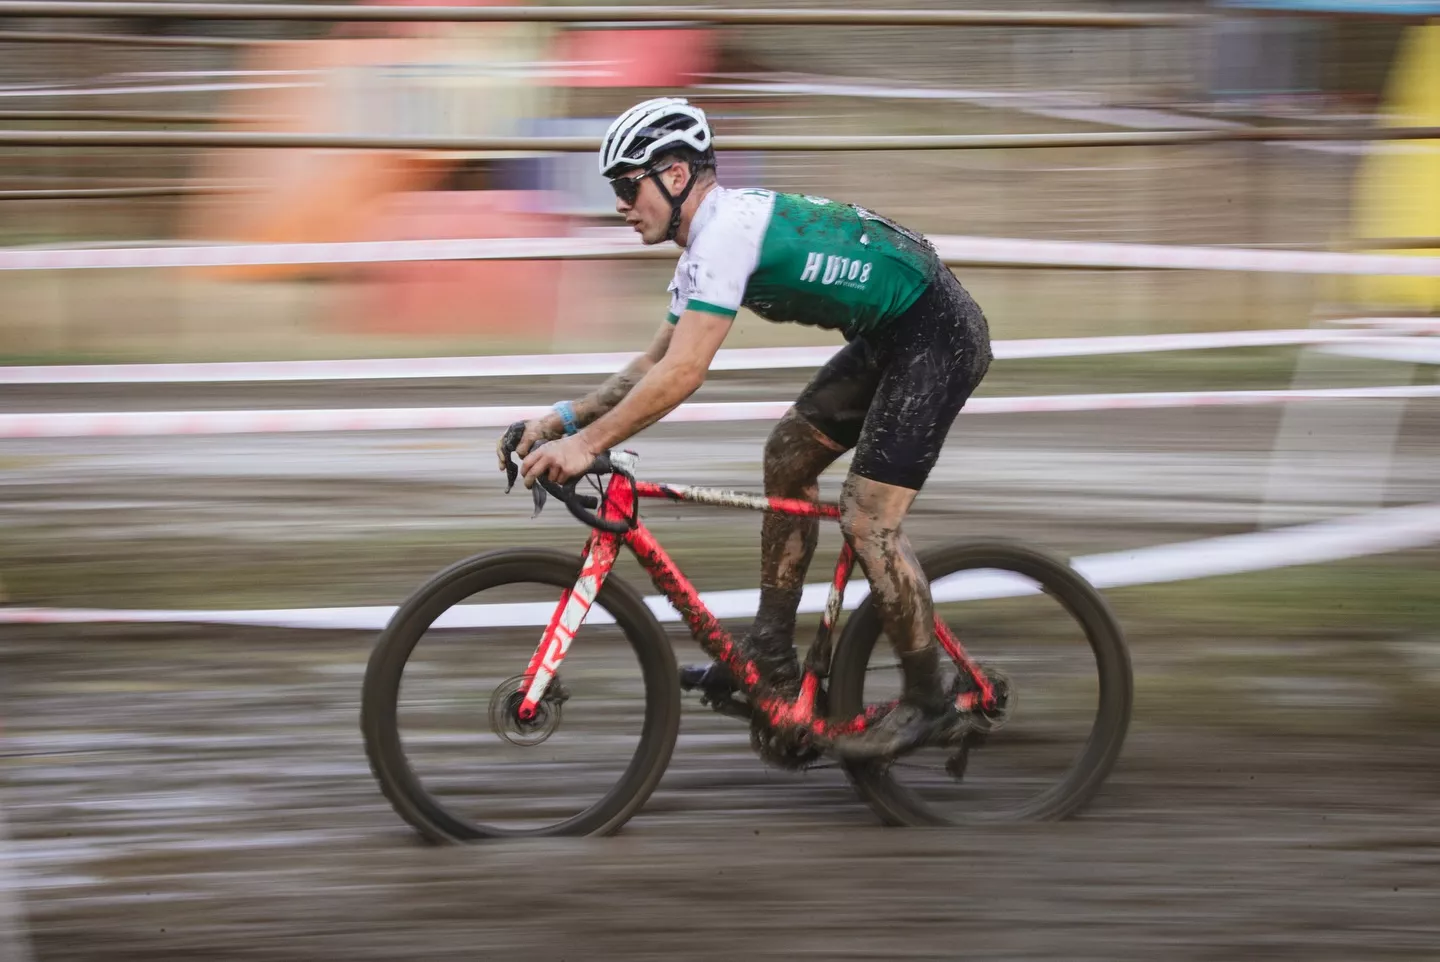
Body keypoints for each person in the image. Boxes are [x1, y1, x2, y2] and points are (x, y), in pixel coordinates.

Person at [497, 97, 992, 759]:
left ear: (673, 177)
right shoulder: (711, 240)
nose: (618, 202)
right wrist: (559, 418)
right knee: (788, 456)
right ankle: (771, 654)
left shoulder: (725, 234)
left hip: (937, 336)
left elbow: (684, 373)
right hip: (893, 335)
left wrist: (587, 445)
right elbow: (654, 361)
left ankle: (928, 700)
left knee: (868, 520)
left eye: (625, 185)